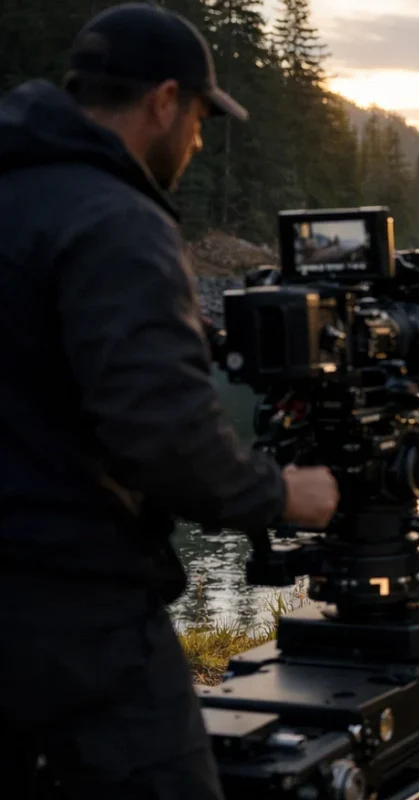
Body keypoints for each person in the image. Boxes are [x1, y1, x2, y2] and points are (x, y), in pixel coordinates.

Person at [0, 5, 340, 797]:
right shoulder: (116, 217)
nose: (195, 140)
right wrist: (285, 492)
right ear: (163, 101)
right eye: (196, 119)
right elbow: (163, 437)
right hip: (75, 612)